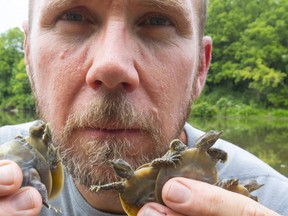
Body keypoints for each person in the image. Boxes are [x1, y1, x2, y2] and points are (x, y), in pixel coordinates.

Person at [0, 0, 287, 215]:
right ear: (27, 54)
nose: (111, 65)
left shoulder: (276, 202)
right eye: (73, 16)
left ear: (201, 67)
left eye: (158, 21)